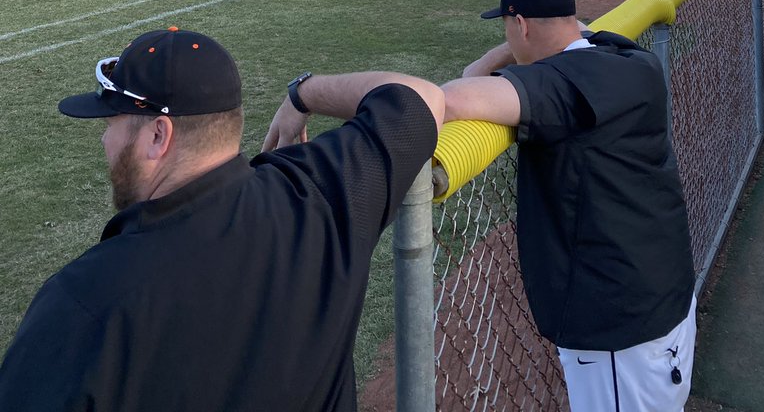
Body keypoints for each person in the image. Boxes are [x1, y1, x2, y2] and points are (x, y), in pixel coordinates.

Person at [0, 26, 443, 412]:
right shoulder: (318, 198)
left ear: (158, 136)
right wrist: (302, 93)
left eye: (113, 121)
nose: (104, 139)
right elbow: (423, 97)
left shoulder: (84, 305)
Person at [441, 0, 696, 412]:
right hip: (665, 296)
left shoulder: (558, 86)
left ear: (519, 24)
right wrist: (512, 48)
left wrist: (306, 95)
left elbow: (449, 98)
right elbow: (578, 35)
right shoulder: (632, 60)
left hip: (618, 331)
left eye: (507, 24)